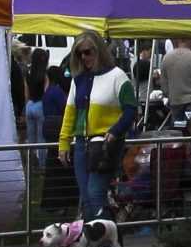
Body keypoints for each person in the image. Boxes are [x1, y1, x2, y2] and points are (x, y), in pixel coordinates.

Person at [56, 31, 135, 223]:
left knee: (95, 194)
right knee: (88, 199)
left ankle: (108, 246)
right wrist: (63, 143)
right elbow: (70, 113)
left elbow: (131, 110)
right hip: (81, 144)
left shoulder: (118, 77)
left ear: (99, 50)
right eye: (79, 54)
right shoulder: (78, 79)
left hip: (104, 145)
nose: (84, 57)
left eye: (88, 52)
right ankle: (100, 246)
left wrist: (115, 131)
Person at [157, 36, 191, 114]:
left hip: (175, 101)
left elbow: (163, 84)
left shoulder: (166, 58)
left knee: (178, 125)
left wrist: (169, 95)